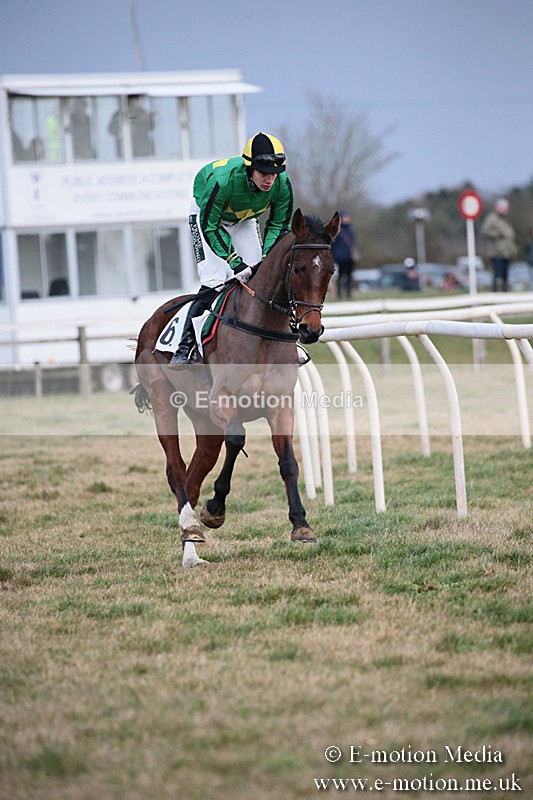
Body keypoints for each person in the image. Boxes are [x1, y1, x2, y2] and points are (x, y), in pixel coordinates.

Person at [170, 131, 294, 365]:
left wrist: (267, 257)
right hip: (207, 218)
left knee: (260, 277)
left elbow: (279, 224)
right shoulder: (223, 181)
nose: (269, 180)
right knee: (215, 279)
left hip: (245, 219)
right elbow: (210, 226)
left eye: (274, 175)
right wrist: (235, 261)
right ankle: (185, 346)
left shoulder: (282, 185)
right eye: (263, 173)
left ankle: (274, 342)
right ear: (249, 168)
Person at [480, 198, 517, 291]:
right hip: (497, 252)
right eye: (503, 208)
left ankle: (504, 295)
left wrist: (513, 251)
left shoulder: (505, 220)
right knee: (497, 276)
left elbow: (510, 236)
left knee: (505, 277)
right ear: (498, 208)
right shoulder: (492, 218)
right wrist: (497, 234)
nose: (505, 210)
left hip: (507, 253)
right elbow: (485, 231)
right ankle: (495, 295)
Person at [331, 210, 358, 299]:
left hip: (349, 257)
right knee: (339, 277)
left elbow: (353, 243)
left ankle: (349, 294)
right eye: (345, 217)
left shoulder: (351, 229)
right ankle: (339, 295)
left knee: (349, 276)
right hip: (340, 258)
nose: (347, 219)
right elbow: (333, 245)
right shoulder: (337, 230)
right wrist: (333, 257)